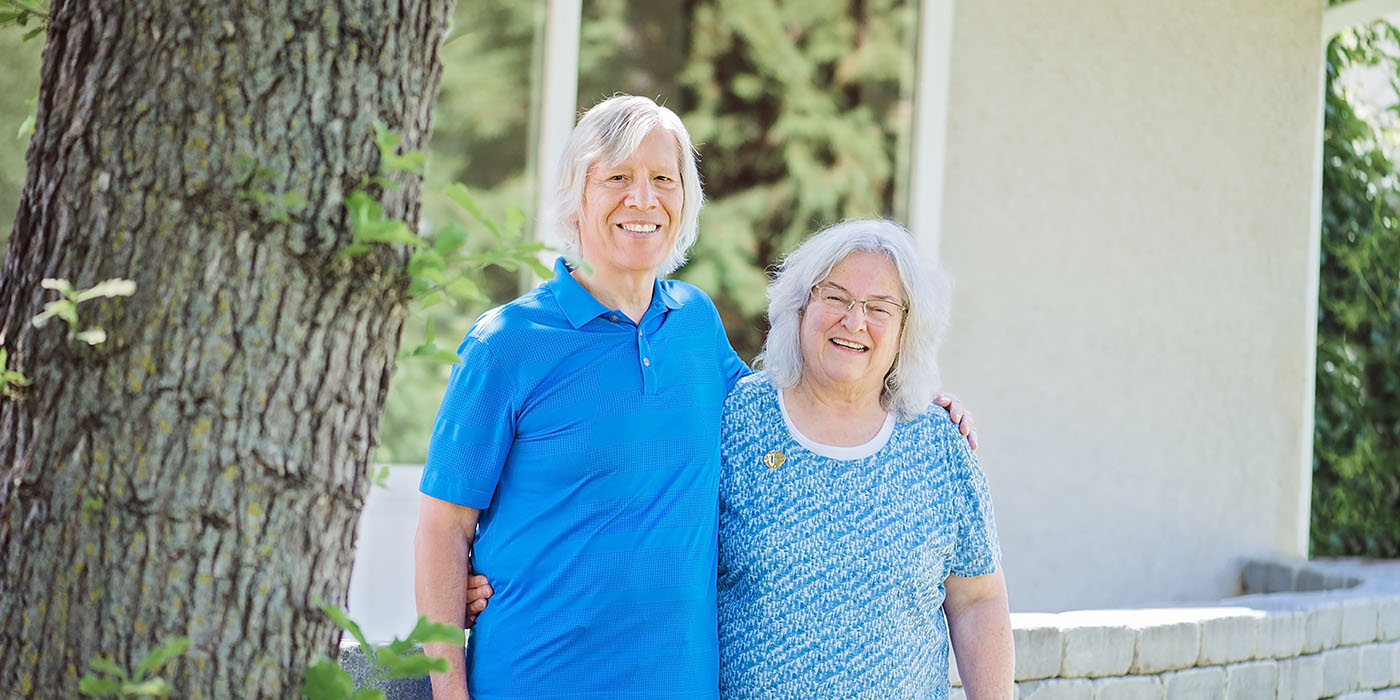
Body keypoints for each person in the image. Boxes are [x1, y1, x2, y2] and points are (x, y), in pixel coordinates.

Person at [414, 95, 977, 699]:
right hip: (536, 679)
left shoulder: (696, 324)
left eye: (663, 179)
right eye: (617, 178)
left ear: (685, 201)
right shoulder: (507, 344)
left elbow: (791, 402)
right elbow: (443, 528)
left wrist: (906, 390)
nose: (642, 199)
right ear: (577, 196)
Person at [715, 219, 1013, 700]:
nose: (854, 321)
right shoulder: (739, 420)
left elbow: (978, 598)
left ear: (905, 330)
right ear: (802, 304)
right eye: (836, 296)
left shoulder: (938, 444)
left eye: (880, 308)